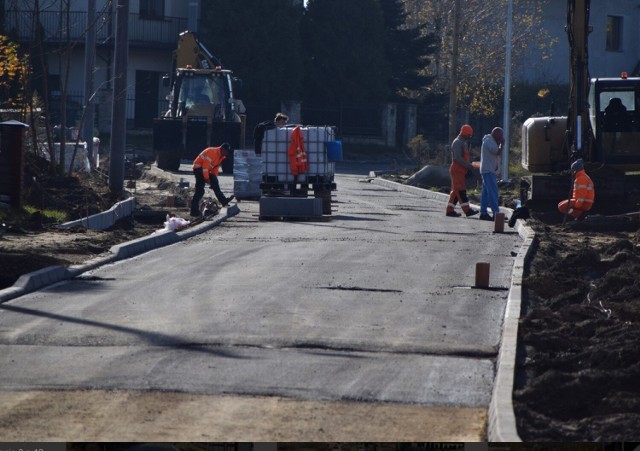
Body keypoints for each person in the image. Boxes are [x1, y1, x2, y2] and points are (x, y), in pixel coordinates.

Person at [190, 142, 235, 216]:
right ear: (222, 149)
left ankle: (223, 201)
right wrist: (207, 179)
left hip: (203, 170)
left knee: (215, 183)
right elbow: (205, 167)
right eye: (226, 151)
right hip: (198, 169)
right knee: (200, 191)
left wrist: (213, 181)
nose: (227, 153)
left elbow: (215, 169)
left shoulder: (220, 156)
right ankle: (194, 211)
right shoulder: (212, 152)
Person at [446, 125, 479, 217]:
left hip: (461, 170)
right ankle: (467, 210)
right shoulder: (457, 142)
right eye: (469, 135)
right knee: (461, 191)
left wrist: (468, 166)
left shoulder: (462, 142)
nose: (469, 137)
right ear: (465, 134)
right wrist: (468, 165)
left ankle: (450, 210)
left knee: (456, 191)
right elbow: (457, 158)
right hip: (457, 170)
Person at [479, 127, 505, 221]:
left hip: (488, 170)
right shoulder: (489, 141)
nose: (502, 137)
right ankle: (496, 213)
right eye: (500, 135)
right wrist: (502, 144)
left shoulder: (490, 140)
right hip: (488, 171)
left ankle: (483, 213)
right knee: (493, 192)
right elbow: (497, 151)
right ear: (496, 134)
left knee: (486, 193)